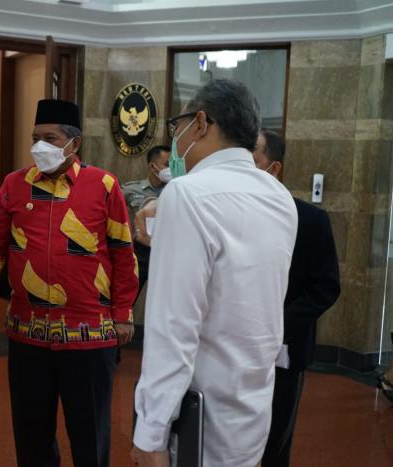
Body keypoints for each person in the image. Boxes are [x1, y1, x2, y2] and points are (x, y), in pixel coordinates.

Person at [132, 79, 298, 467]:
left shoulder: (187, 194)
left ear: (201, 123)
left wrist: (150, 433)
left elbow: (173, 327)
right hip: (252, 409)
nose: (176, 139)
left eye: (178, 126)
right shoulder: (280, 198)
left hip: (198, 419)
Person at [0, 99, 139, 467]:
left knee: (90, 437)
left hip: (89, 335)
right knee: (32, 438)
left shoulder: (103, 185)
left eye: (50, 138)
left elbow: (124, 252)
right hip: (28, 335)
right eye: (35, 138)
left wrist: (123, 312)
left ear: (74, 143)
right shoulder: (14, 185)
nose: (39, 146)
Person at [253, 129, 341, 467]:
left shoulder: (311, 220)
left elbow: (325, 287)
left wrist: (277, 325)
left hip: (284, 351)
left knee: (275, 443)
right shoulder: (230, 215)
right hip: (231, 348)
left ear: (273, 168)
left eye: (252, 159)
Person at [121, 145, 171, 295]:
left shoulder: (176, 189)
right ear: (152, 166)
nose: (170, 169)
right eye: (167, 164)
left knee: (165, 297)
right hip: (141, 251)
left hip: (166, 252)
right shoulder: (132, 190)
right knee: (129, 295)